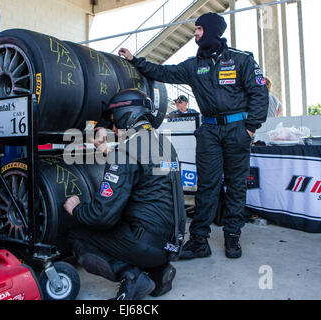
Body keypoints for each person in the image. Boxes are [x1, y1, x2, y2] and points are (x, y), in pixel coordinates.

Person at [119, 12, 269, 259]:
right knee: (207, 185)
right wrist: (136, 60)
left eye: (198, 29)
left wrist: (250, 128)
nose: (195, 34)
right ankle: (199, 240)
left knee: (236, 185)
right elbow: (163, 72)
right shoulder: (193, 65)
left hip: (237, 130)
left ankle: (232, 236)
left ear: (210, 31)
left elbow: (259, 94)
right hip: (209, 130)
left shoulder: (242, 60)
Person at [63, 89, 186, 300]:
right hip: (171, 243)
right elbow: (138, 167)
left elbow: (102, 216)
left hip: (147, 243)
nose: (113, 128)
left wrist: (76, 209)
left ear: (125, 116)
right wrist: (105, 148)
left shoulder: (126, 152)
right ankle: (158, 271)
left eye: (114, 122)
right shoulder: (162, 143)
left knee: (78, 235)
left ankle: (132, 277)